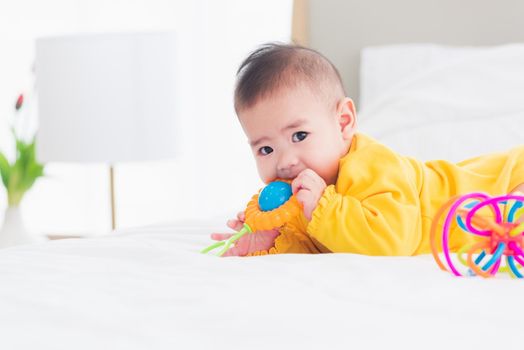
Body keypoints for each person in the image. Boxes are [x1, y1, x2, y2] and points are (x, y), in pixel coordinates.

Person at [210, 43, 524, 257]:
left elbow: (393, 240)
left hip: (501, 184)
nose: (285, 161)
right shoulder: (310, 197)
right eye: (265, 149)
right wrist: (272, 241)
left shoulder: (372, 165)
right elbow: (329, 242)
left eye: (300, 135)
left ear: (344, 122)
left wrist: (323, 208)